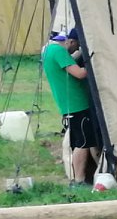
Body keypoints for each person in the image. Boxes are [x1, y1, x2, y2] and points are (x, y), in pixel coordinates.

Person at [42, 28, 99, 186]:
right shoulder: (59, 52)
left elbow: (69, 62)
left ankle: (100, 173)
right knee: (83, 143)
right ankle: (79, 180)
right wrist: (96, 62)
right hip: (76, 104)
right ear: (69, 41)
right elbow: (80, 73)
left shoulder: (48, 50)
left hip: (69, 104)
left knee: (90, 141)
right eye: (76, 44)